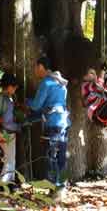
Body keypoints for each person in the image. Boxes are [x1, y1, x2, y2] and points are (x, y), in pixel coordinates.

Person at [27, 56, 69, 194]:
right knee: (61, 155)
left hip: (52, 124)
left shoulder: (46, 83)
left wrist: (25, 102)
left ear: (40, 67)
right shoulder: (61, 83)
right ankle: (61, 187)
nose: (35, 71)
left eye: (35, 67)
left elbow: (36, 105)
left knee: (51, 156)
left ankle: (54, 189)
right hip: (63, 122)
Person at [0, 72, 21, 184]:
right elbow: (6, 122)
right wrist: (18, 127)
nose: (15, 90)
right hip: (7, 132)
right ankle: (3, 184)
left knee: (9, 158)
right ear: (9, 86)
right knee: (10, 160)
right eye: (14, 87)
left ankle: (9, 183)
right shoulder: (7, 100)